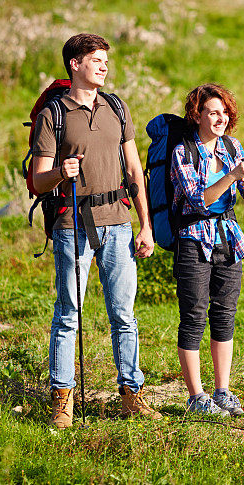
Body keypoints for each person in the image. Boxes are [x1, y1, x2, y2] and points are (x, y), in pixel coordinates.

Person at [31, 33, 161, 428]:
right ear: (75, 64)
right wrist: (60, 171)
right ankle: (62, 400)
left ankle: (131, 395)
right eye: (96, 59)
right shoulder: (53, 114)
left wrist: (146, 226)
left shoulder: (116, 107)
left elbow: (135, 171)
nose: (104, 66)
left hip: (119, 224)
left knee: (124, 313)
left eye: (105, 60)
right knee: (68, 314)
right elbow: (38, 182)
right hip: (73, 226)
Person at [170, 83, 244, 416]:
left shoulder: (232, 146)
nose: (221, 118)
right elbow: (199, 199)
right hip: (194, 239)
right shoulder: (184, 152)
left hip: (229, 239)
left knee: (225, 315)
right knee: (193, 317)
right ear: (198, 115)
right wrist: (233, 176)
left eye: (224, 112)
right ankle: (197, 397)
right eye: (213, 112)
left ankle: (222, 391)